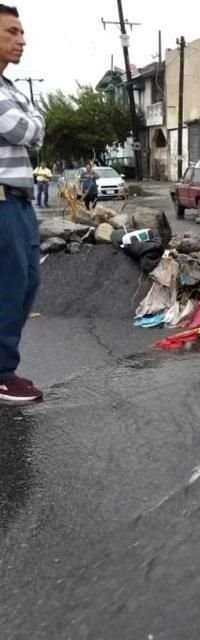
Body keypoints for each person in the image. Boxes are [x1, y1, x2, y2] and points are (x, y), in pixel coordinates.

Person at [0, 4, 45, 403]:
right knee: (10, 285)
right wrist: (30, 126)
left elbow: (36, 126)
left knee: (29, 280)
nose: (22, 40)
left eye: (21, 32)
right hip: (0, 201)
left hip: (20, 200)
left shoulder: (10, 88)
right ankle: (1, 373)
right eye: (12, 32)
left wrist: (30, 126)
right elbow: (20, 128)